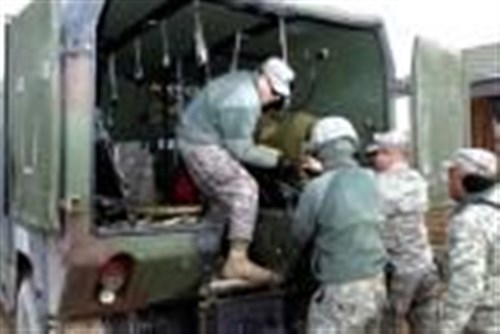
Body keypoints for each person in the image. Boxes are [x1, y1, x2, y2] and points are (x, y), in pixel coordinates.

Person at [176, 57, 296, 284]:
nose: (273, 99)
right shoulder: (244, 100)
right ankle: (237, 260)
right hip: (200, 145)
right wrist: (280, 161)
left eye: (278, 96)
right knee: (244, 189)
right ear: (264, 79)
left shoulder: (243, 80)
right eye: (274, 92)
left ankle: (207, 258)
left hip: (193, 138)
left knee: (223, 199)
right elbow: (242, 149)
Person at [292, 116, 387, 334]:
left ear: (320, 149)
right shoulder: (373, 179)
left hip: (340, 291)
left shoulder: (316, 188)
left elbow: (299, 236)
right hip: (376, 284)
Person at [369, 130, 441, 333]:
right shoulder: (417, 180)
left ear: (394, 154)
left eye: (381, 153)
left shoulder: (379, 184)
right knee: (428, 324)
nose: (376, 158)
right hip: (425, 265)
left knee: (387, 324)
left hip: (399, 271)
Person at [441, 148, 500, 334]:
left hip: (485, 321)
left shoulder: (470, 220)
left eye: (450, 174)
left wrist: (448, 328)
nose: (447, 182)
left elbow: (467, 282)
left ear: (460, 176)